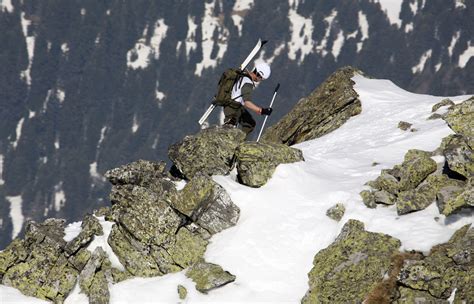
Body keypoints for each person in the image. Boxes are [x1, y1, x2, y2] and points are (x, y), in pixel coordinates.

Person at [223, 61, 273, 138]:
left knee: (250, 123)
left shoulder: (243, 76)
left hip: (234, 105)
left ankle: (238, 140)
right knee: (229, 131)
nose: (260, 81)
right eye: (261, 79)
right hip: (233, 108)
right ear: (259, 74)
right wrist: (262, 111)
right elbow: (247, 103)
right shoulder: (248, 83)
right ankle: (235, 142)